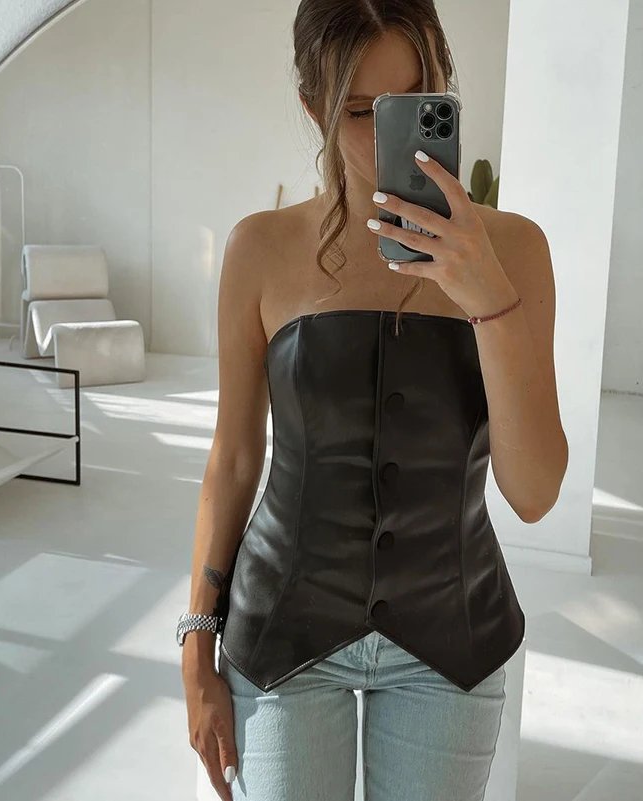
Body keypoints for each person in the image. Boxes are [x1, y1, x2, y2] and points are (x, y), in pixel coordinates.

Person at [179, 2, 568, 800]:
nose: (391, 139)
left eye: (416, 100)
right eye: (360, 111)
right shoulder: (260, 249)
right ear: (313, 107)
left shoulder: (517, 251)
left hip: (451, 643)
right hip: (282, 634)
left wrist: (488, 297)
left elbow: (533, 493)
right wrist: (196, 646)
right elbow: (235, 457)